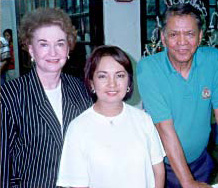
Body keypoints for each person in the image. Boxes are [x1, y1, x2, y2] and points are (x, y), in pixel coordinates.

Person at [137, 3, 218, 188]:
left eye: (189, 34)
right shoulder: (148, 68)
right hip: (161, 164)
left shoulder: (213, 60)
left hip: (200, 159)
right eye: (173, 34)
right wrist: (187, 182)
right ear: (163, 37)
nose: (182, 42)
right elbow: (164, 128)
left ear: (200, 36)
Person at [1, 8, 93, 188]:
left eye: (60, 43)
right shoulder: (8, 96)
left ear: (68, 48)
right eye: (43, 44)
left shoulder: (80, 89)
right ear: (31, 50)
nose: (53, 52)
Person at [56, 45, 166, 188]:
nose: (112, 84)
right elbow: (77, 185)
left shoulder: (143, 120)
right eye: (103, 76)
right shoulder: (78, 128)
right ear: (91, 82)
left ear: (129, 82)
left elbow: (158, 170)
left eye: (119, 75)